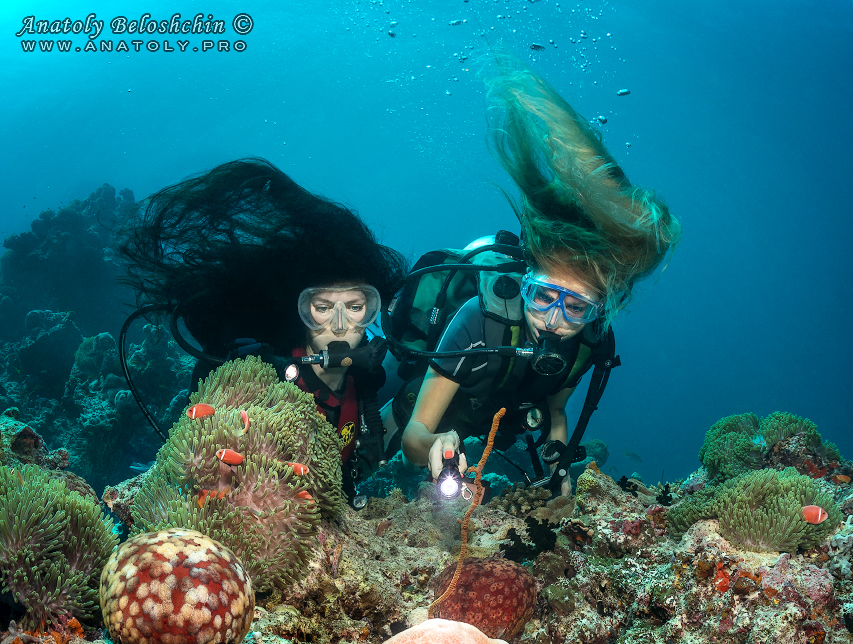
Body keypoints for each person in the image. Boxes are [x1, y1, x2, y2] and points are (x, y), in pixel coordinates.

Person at [391, 59, 681, 492]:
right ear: (525, 285)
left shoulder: (586, 344)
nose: (555, 318)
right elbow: (414, 437)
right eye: (543, 296)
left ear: (596, 310)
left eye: (577, 306)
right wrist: (436, 440)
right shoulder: (478, 318)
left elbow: (557, 414)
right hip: (442, 404)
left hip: (503, 415)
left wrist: (556, 469)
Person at [117, 159, 407, 499]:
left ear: (373, 311)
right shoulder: (268, 373)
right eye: (323, 308)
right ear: (301, 311)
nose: (340, 325)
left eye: (356, 308)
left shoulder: (366, 383)